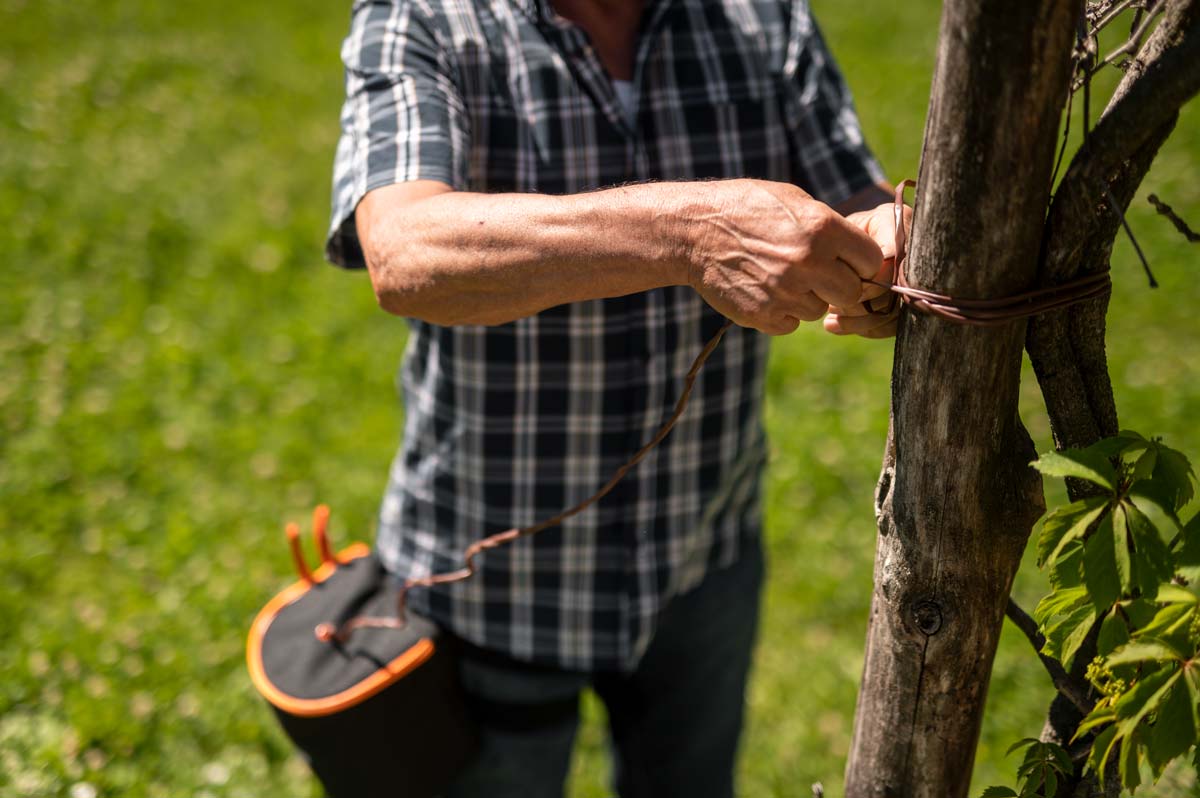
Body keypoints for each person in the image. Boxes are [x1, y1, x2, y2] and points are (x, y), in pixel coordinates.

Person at [325, 1, 903, 795]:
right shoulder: (425, 18)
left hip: (700, 551)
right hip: (493, 579)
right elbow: (406, 251)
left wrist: (882, 243)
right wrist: (688, 232)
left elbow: (851, 203)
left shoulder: (762, 18)